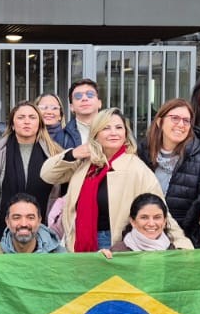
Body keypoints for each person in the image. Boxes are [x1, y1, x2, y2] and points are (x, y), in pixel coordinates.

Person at [41, 108, 164, 253]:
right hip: (77, 240)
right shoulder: (86, 162)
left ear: (126, 133)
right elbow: (47, 174)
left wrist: (181, 242)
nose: (113, 133)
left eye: (119, 127)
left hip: (116, 243)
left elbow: (160, 207)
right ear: (96, 134)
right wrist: (72, 154)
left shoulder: (136, 167)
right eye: (106, 128)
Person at [0, 101, 62, 225]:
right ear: (12, 124)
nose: (27, 121)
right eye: (21, 117)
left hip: (44, 226)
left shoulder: (55, 154)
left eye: (32, 117)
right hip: (2, 226)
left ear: (39, 124)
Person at [142, 98, 200, 227]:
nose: (181, 124)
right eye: (175, 118)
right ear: (160, 122)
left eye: (186, 121)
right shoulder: (142, 153)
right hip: (144, 229)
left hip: (183, 232)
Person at [98, 193, 192, 255]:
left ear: (164, 221)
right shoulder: (118, 252)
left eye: (157, 217)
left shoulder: (174, 252)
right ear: (133, 221)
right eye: (144, 217)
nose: (151, 223)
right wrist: (101, 261)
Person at [0, 194, 65, 254]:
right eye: (17, 217)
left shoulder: (60, 257)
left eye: (30, 217)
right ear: (7, 222)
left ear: (39, 221)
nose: (24, 224)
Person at [61, 78, 102, 149]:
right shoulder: (61, 137)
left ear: (99, 103)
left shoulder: (116, 131)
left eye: (90, 94)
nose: (84, 98)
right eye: (78, 96)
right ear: (71, 107)